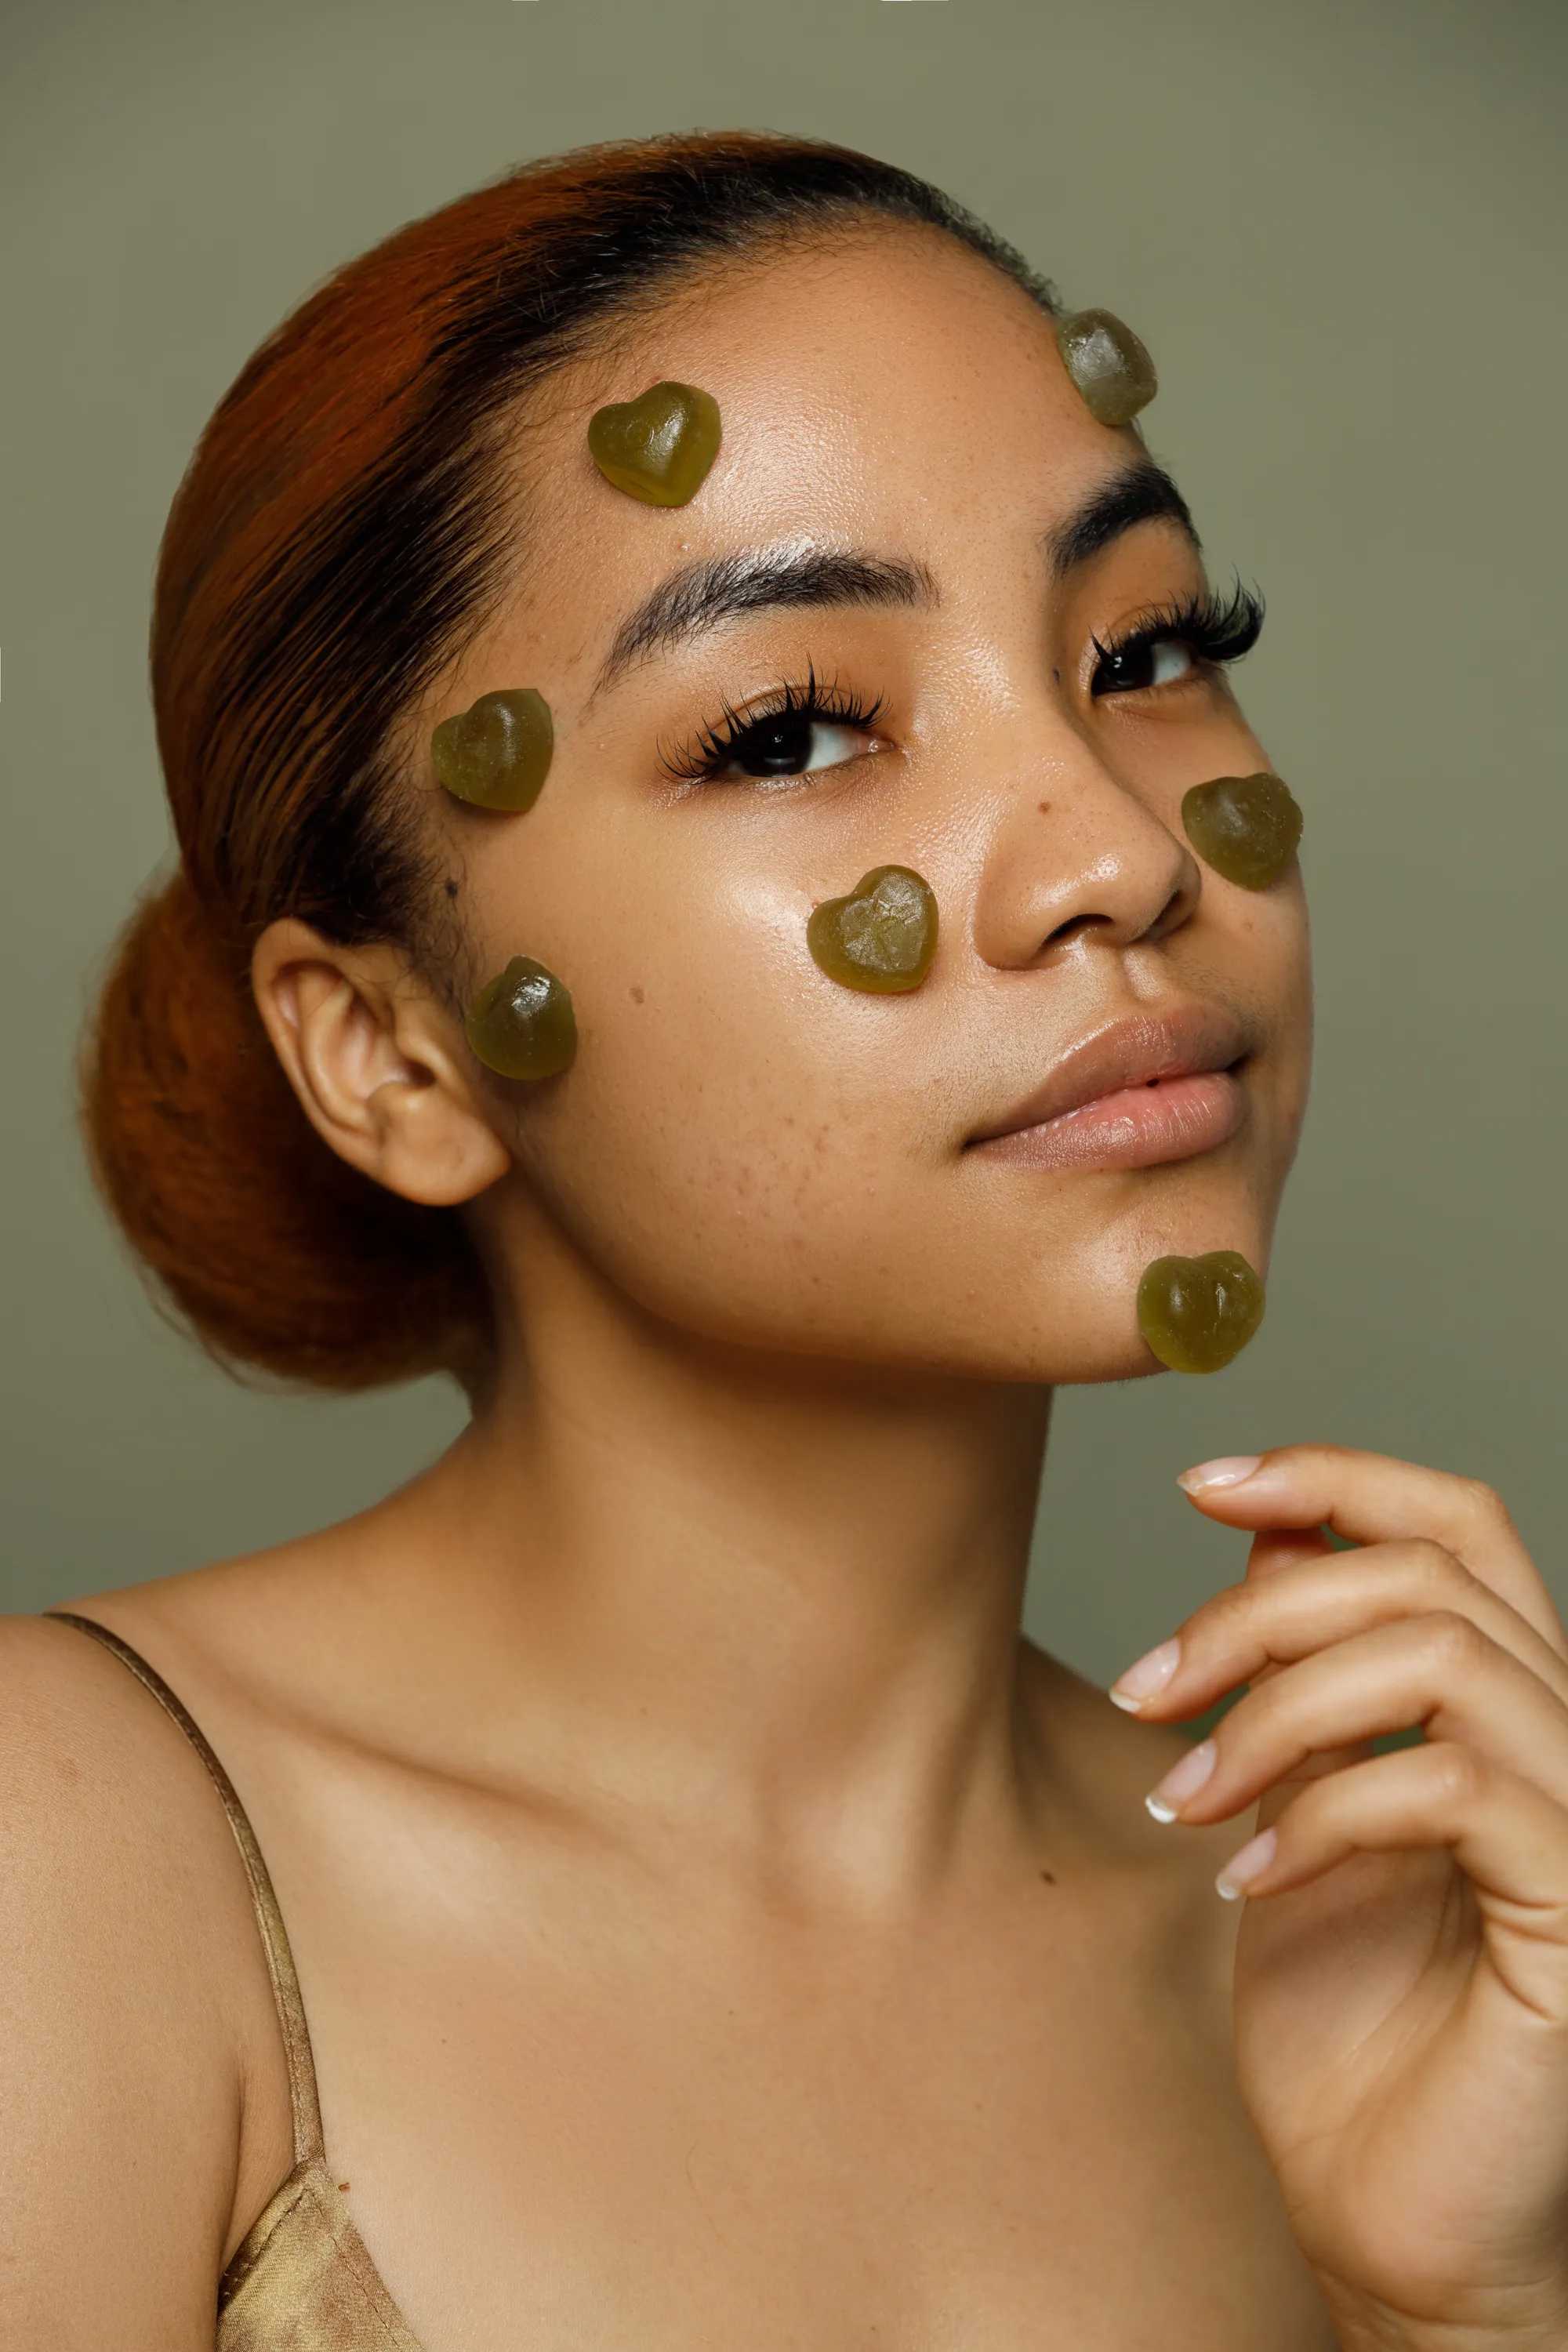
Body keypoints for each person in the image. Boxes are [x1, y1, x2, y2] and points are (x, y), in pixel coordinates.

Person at [5, 132, 1566, 2352]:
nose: (1113, 856)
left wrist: (1476, 2309)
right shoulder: (63, 1869)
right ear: (395, 1055)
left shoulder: (1382, 1952)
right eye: (793, 727)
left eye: (1147, 649)